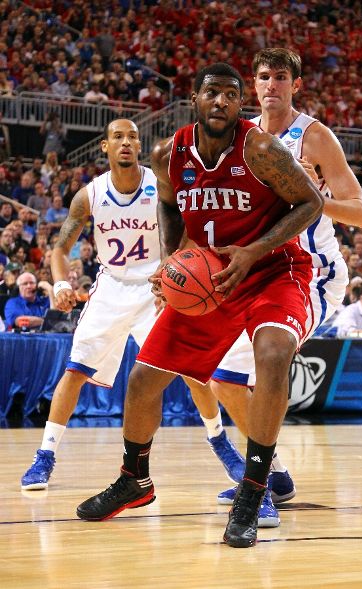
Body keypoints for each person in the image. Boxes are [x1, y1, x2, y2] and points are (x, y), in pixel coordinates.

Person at [75, 63, 324, 549]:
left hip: (274, 272)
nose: (223, 102)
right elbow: (168, 206)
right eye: (213, 93)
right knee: (144, 378)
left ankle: (253, 491)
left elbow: (310, 203)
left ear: (239, 104)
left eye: (233, 95)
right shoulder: (169, 153)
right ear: (194, 98)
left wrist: (254, 250)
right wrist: (171, 261)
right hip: (212, 277)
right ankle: (135, 479)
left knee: (272, 354)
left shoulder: (261, 149)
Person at [205, 48, 362, 514]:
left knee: (260, 364)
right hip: (264, 271)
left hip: (314, 272)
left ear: (295, 85)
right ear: (252, 87)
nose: (272, 85)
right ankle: (274, 475)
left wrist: (310, 195)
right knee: (223, 380)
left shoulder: (315, 137)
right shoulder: (242, 137)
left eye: (281, 77)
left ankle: (256, 489)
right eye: (264, 77)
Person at [20, 119, 218, 494]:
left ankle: (219, 442)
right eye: (118, 137)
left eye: (132, 137)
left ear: (139, 147)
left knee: (194, 371)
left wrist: (176, 262)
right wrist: (62, 282)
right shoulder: (89, 195)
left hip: (157, 288)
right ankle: (44, 456)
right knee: (75, 370)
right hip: (110, 288)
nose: (126, 142)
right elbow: (59, 249)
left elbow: (192, 224)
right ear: (104, 147)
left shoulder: (159, 183)